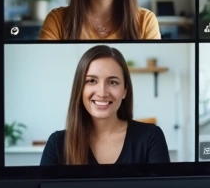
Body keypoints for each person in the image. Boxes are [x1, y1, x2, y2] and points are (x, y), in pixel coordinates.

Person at [40, 45, 170, 165]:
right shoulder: (57, 144)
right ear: (79, 88)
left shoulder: (150, 137)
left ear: (125, 90)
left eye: (113, 82)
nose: (102, 93)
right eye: (92, 81)